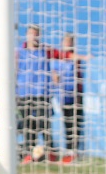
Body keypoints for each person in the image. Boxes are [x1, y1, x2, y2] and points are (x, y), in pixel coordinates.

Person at [16, 24, 57, 164]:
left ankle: (50, 152)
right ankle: (29, 152)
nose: (33, 36)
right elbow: (13, 69)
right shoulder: (20, 52)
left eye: (36, 33)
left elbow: (65, 55)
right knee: (28, 124)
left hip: (42, 93)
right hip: (24, 93)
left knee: (43, 122)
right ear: (27, 35)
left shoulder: (46, 51)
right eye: (31, 33)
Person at [52, 33, 87, 164]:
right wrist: (55, 77)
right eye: (66, 41)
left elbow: (79, 76)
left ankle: (75, 150)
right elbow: (54, 74)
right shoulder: (58, 59)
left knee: (75, 123)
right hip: (63, 96)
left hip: (75, 96)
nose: (68, 44)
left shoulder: (75, 59)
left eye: (70, 41)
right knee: (67, 123)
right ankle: (69, 149)